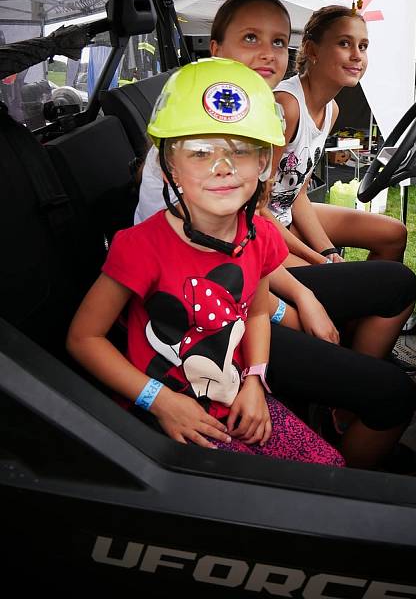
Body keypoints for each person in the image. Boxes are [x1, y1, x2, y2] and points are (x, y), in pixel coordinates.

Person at [134, 0, 416, 469]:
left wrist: (314, 269)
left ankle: (346, 410)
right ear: (216, 48)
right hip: (203, 318)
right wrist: (303, 289)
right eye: (250, 38)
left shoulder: (250, 118)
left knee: (393, 283)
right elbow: (246, 234)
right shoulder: (209, 128)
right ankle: (344, 487)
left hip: (241, 287)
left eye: (277, 42)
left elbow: (255, 233)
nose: (268, 53)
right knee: (392, 394)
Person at [67, 58, 344, 467]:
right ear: (168, 167)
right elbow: (84, 339)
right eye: (199, 152)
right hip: (162, 414)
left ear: (265, 163)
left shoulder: (262, 236)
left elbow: (256, 312)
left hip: (236, 394)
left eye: (243, 151)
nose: (223, 168)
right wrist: (159, 402)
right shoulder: (140, 247)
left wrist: (255, 380)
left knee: (331, 470)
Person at [267, 4, 408, 266]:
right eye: (345, 43)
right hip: (260, 228)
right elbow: (255, 207)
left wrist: (328, 251)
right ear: (311, 50)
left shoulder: (332, 110)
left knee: (393, 234)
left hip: (286, 215)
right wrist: (317, 258)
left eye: (363, 47)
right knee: (332, 282)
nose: (357, 56)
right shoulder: (286, 106)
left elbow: (297, 194)